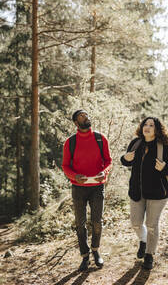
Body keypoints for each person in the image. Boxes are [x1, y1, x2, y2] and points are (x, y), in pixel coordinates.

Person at [120, 117, 168, 270]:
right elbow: (127, 161)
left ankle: (149, 255)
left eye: (151, 125)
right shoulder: (136, 143)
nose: (147, 127)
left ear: (157, 129)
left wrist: (164, 168)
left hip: (158, 193)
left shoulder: (164, 146)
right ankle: (143, 241)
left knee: (151, 225)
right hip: (137, 191)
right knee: (136, 223)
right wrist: (124, 158)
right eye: (145, 124)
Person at [62, 109, 112, 271]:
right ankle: (85, 256)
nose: (86, 117)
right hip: (78, 189)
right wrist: (75, 176)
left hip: (97, 187)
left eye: (87, 115)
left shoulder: (100, 138)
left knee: (97, 222)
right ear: (76, 123)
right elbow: (65, 165)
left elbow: (108, 161)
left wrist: (103, 173)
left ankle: (96, 251)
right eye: (82, 116)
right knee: (80, 223)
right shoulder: (71, 142)